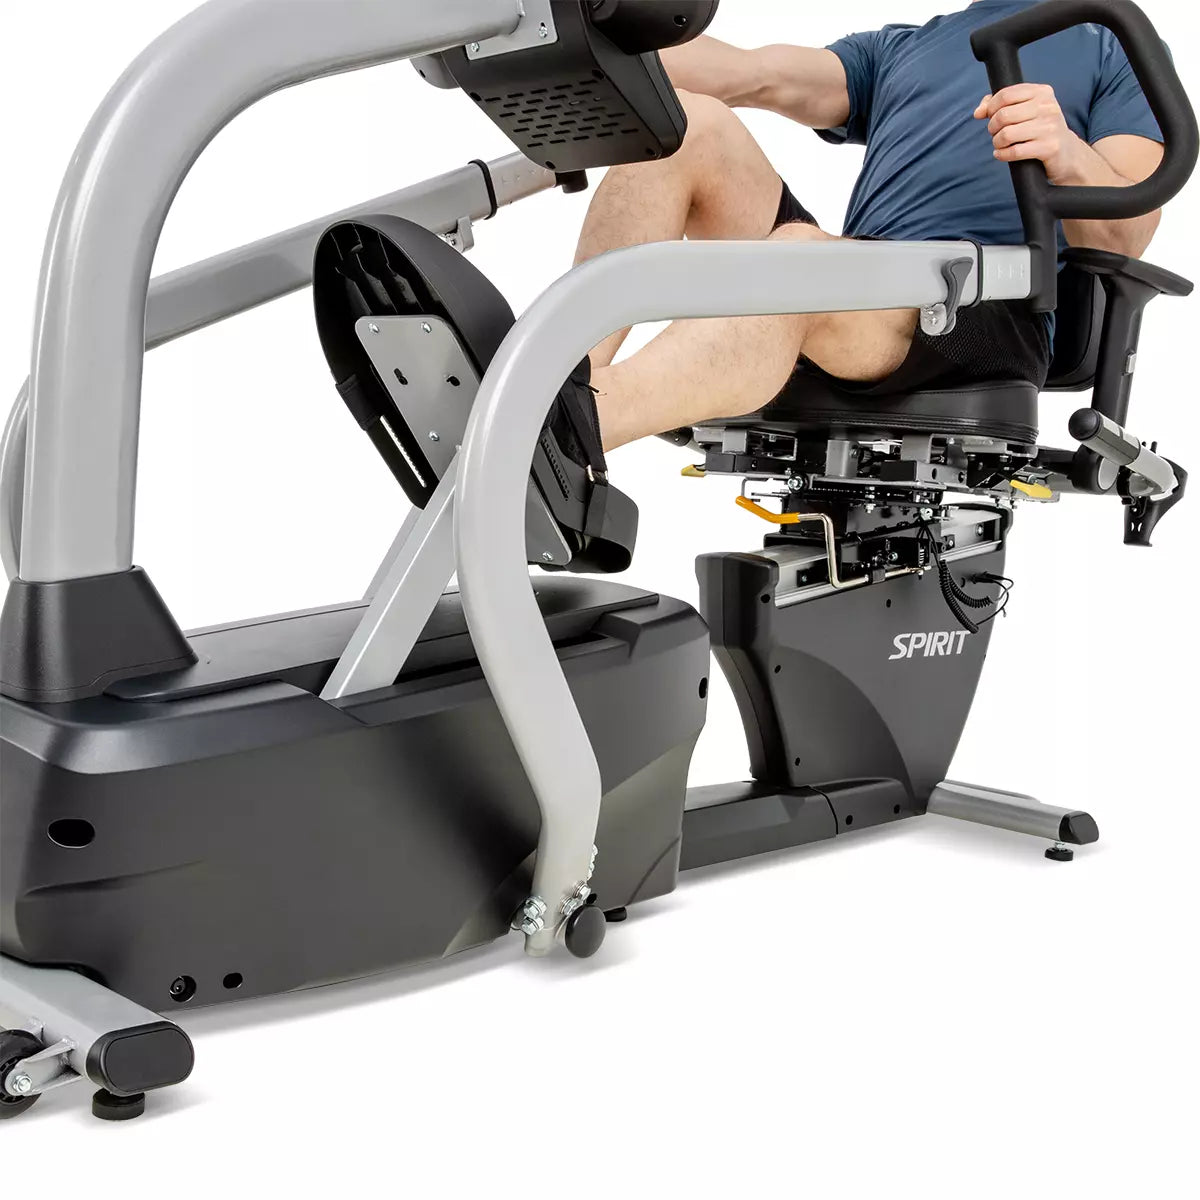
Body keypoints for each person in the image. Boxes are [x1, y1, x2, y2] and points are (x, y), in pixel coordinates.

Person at [545, 0, 1166, 483]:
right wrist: (579, 29)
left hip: (985, 308)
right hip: (862, 286)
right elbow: (748, 74)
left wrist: (1066, 153)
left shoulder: (1109, 37)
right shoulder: (904, 46)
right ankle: (557, 379)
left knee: (803, 258)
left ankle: (557, 436)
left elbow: (1124, 234)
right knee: (685, 124)